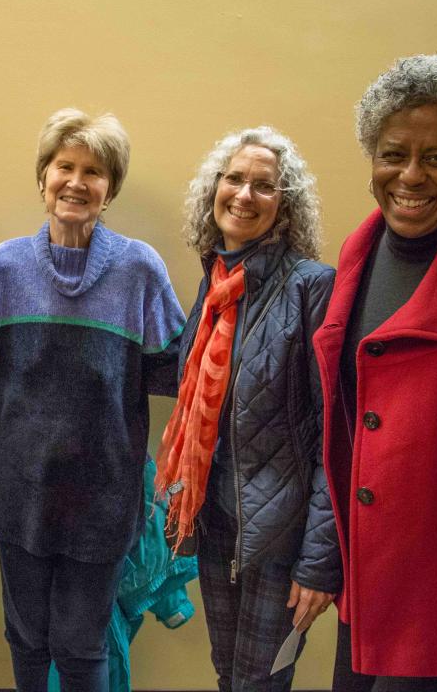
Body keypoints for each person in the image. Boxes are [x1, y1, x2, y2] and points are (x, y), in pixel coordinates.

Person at [0, 108, 185, 692]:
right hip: (21, 489)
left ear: (109, 188)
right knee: (25, 637)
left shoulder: (139, 269)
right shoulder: (5, 267)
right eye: (64, 166)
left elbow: (183, 373)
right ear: (43, 178)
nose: (76, 181)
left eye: (93, 171)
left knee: (81, 644)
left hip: (106, 495)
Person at [156, 126, 340, 691]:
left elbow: (336, 435)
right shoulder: (218, 284)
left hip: (279, 539)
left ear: (285, 208)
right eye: (234, 178)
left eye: (265, 186)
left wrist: (318, 563)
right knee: (228, 675)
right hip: (216, 523)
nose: (244, 194)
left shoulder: (312, 288)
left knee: (261, 682)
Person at [314, 55, 437, 690]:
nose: (411, 175)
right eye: (395, 154)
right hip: (365, 588)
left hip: (431, 597)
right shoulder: (356, 256)